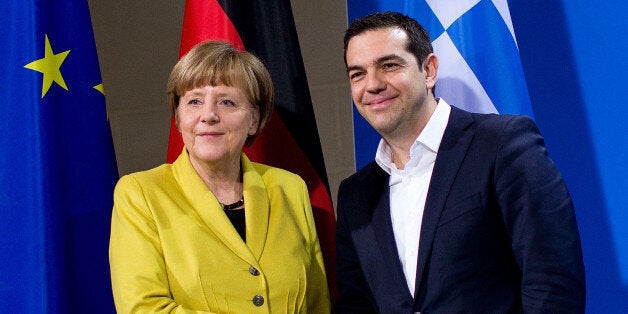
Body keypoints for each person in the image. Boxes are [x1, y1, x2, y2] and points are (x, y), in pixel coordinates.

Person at [335, 11, 585, 313]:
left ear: (428, 70)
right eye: (357, 74)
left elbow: (552, 282)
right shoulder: (355, 194)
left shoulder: (501, 144)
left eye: (388, 65)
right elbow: (355, 304)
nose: (372, 85)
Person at [109, 40, 330, 313]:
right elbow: (142, 308)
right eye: (194, 101)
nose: (209, 115)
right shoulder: (141, 194)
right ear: (178, 118)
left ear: (253, 119)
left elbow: (318, 303)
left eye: (227, 102)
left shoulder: (289, 188)